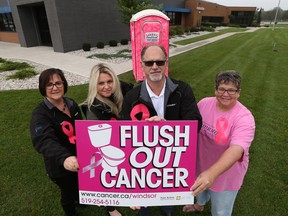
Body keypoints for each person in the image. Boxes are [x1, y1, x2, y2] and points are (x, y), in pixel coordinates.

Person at [121, 44, 202, 216]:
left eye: (159, 61)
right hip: (142, 161)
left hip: (172, 161)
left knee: (168, 202)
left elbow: (195, 122)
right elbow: (122, 132)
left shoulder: (182, 90)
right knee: (144, 205)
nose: (155, 66)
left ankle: (167, 210)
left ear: (166, 63)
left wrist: (167, 129)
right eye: (149, 63)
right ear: (141, 65)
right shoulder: (132, 97)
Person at [182, 71, 255, 216]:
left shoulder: (244, 118)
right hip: (201, 166)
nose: (225, 94)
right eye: (222, 89)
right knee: (200, 191)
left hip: (226, 176)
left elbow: (236, 150)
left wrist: (211, 173)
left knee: (221, 211)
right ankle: (199, 206)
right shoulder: (204, 104)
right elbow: (188, 127)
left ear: (239, 92)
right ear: (215, 89)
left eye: (231, 90)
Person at [81, 63, 133, 216]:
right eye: (101, 83)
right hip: (107, 145)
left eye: (109, 81)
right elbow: (94, 149)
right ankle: (110, 208)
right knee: (105, 170)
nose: (106, 87)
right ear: (93, 85)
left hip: (124, 139)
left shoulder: (123, 90)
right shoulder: (93, 111)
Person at [30, 68, 82, 216]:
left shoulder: (71, 104)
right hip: (59, 165)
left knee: (77, 184)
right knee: (67, 192)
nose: (55, 88)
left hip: (79, 159)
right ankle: (70, 211)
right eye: (49, 84)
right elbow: (44, 140)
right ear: (43, 88)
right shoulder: (40, 114)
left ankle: (80, 200)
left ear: (64, 84)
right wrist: (64, 157)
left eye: (58, 83)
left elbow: (81, 128)